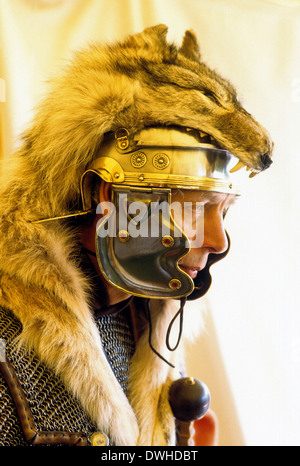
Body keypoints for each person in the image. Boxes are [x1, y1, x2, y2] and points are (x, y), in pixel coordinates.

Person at [0, 25, 273, 447]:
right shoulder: (6, 337)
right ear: (110, 197)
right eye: (197, 207)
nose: (218, 241)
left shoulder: (148, 323)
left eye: (223, 210)